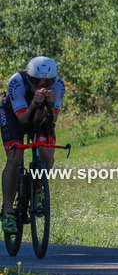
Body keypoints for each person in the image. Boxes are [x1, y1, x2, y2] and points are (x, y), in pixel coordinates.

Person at [1, 56, 65, 233]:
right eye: (37, 81)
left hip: (39, 115)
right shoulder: (17, 82)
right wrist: (35, 102)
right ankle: (8, 211)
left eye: (47, 82)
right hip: (15, 115)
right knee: (15, 159)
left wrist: (50, 105)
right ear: (29, 76)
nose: (42, 85)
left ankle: (38, 188)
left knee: (46, 155)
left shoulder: (58, 86)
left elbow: (53, 119)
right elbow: (22, 119)